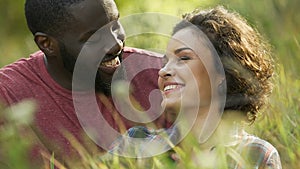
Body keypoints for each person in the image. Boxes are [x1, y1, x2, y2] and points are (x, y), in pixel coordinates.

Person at [0, 0, 164, 167]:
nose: (116, 45)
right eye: (94, 38)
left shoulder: (161, 75)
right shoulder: (6, 97)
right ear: (47, 44)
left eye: (114, 26)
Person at [156, 6, 282, 168]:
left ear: (222, 72)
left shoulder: (257, 155)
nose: (163, 71)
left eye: (184, 58)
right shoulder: (139, 145)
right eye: (165, 62)